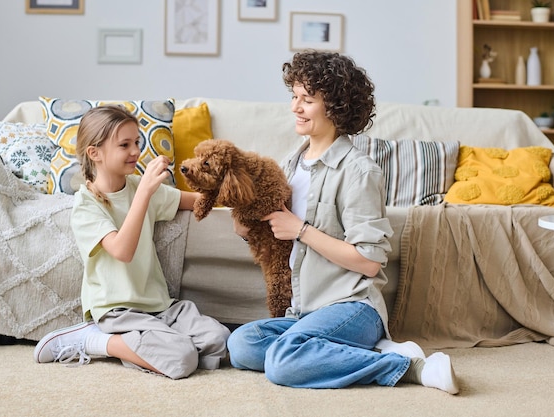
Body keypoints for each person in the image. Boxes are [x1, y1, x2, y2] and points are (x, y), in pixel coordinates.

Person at [228, 50, 459, 394]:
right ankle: (359, 351)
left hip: (352, 307)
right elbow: (276, 231)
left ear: (335, 107)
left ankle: (407, 366)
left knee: (282, 361)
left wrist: (301, 231)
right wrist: (248, 229)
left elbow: (368, 261)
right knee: (241, 345)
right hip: (304, 310)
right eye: (295, 97)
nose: (295, 107)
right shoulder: (291, 164)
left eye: (307, 99)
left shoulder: (358, 171)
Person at [33, 105, 230, 379]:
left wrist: (242, 203)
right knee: (181, 358)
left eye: (136, 142)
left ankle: (157, 341)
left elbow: (196, 202)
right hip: (117, 311)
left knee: (218, 339)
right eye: (124, 144)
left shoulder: (138, 187)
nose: (135, 151)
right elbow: (122, 251)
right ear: (95, 153)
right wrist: (146, 193)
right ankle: (94, 340)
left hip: (159, 306)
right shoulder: (86, 204)